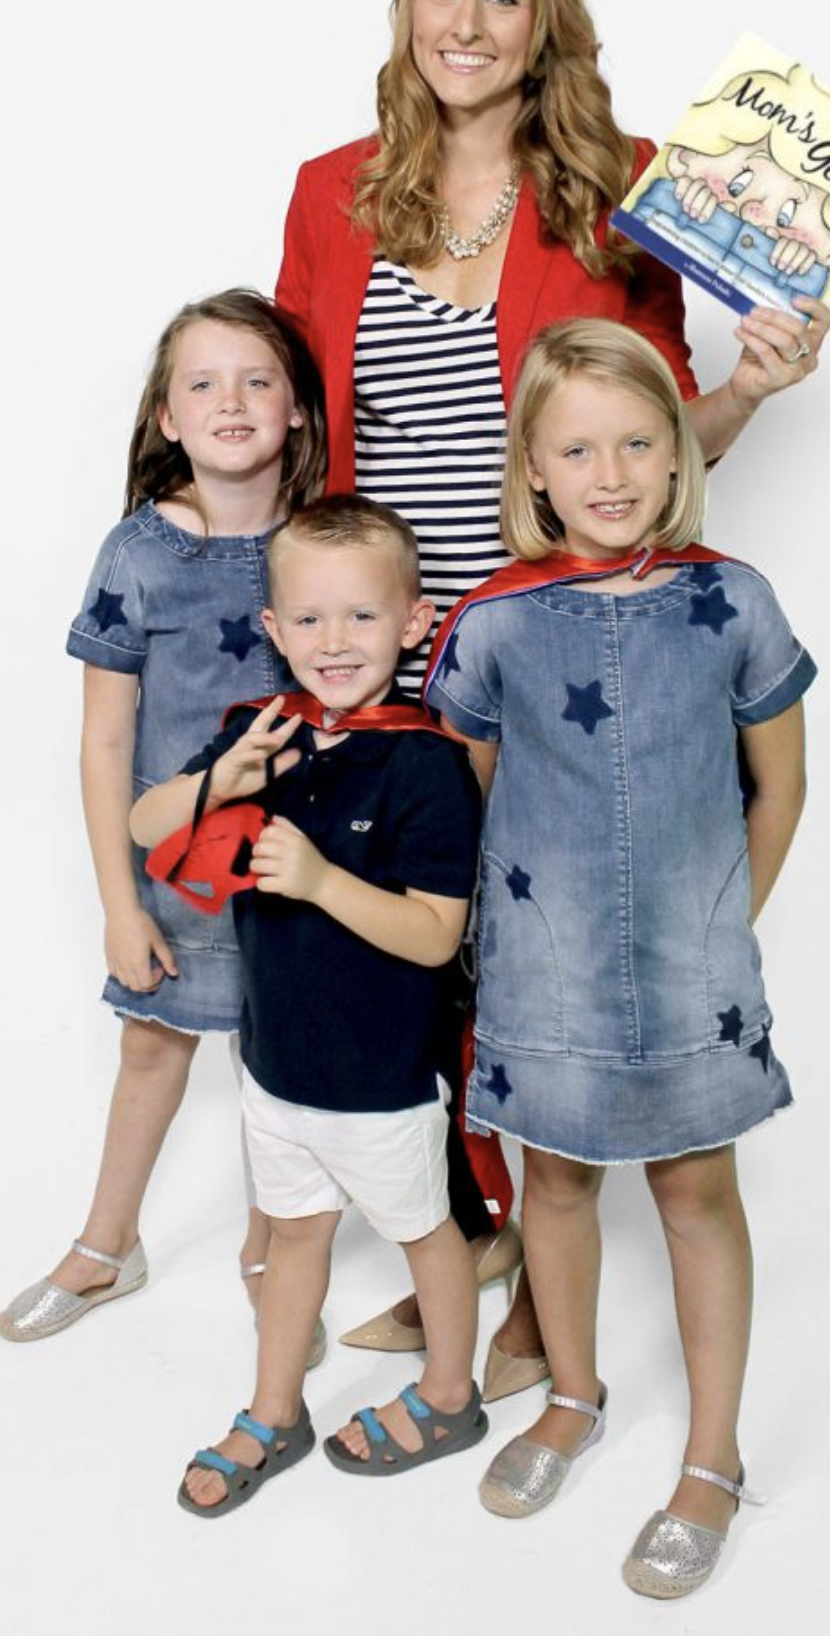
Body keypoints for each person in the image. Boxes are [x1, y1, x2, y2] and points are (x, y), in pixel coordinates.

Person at [275, 0, 830, 1391]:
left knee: (527, 959)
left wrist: (757, 385)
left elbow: (648, 431)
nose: (465, 23)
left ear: (546, 24)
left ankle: (533, 1317)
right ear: (405, 13)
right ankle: (472, 1244)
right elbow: (302, 433)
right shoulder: (332, 191)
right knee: (413, 961)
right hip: (384, 651)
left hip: (566, 649)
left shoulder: (623, 185)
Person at [424, 319, 815, 1599]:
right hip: (543, 975)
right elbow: (468, 808)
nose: (610, 472)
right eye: (577, 447)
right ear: (530, 467)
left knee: (696, 1192)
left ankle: (710, 1456)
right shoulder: (491, 625)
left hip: (695, 976)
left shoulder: (733, 601)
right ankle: (574, 1395)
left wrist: (717, 929)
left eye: (639, 441)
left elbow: (780, 789)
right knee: (559, 1189)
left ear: (673, 455)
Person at [131, 497, 487, 1517]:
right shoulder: (261, 732)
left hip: (382, 1078)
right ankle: (273, 1408)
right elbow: (142, 822)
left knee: (429, 1239)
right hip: (275, 1067)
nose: (335, 642)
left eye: (362, 618)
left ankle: (448, 1394)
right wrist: (219, 784)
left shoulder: (425, 764)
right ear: (275, 628)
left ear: (414, 622)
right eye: (311, 619)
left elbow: (433, 935)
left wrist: (326, 881)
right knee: (292, 1240)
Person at [0, 290, 330, 1357]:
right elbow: (103, 744)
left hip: (299, 870)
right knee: (153, 1052)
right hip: (179, 875)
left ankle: (269, 1252)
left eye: (257, 379)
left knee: (280, 1072)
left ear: (297, 411)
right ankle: (107, 1245)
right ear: (168, 418)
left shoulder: (326, 544)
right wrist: (115, 905)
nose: (231, 400)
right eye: (202, 382)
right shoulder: (138, 556)